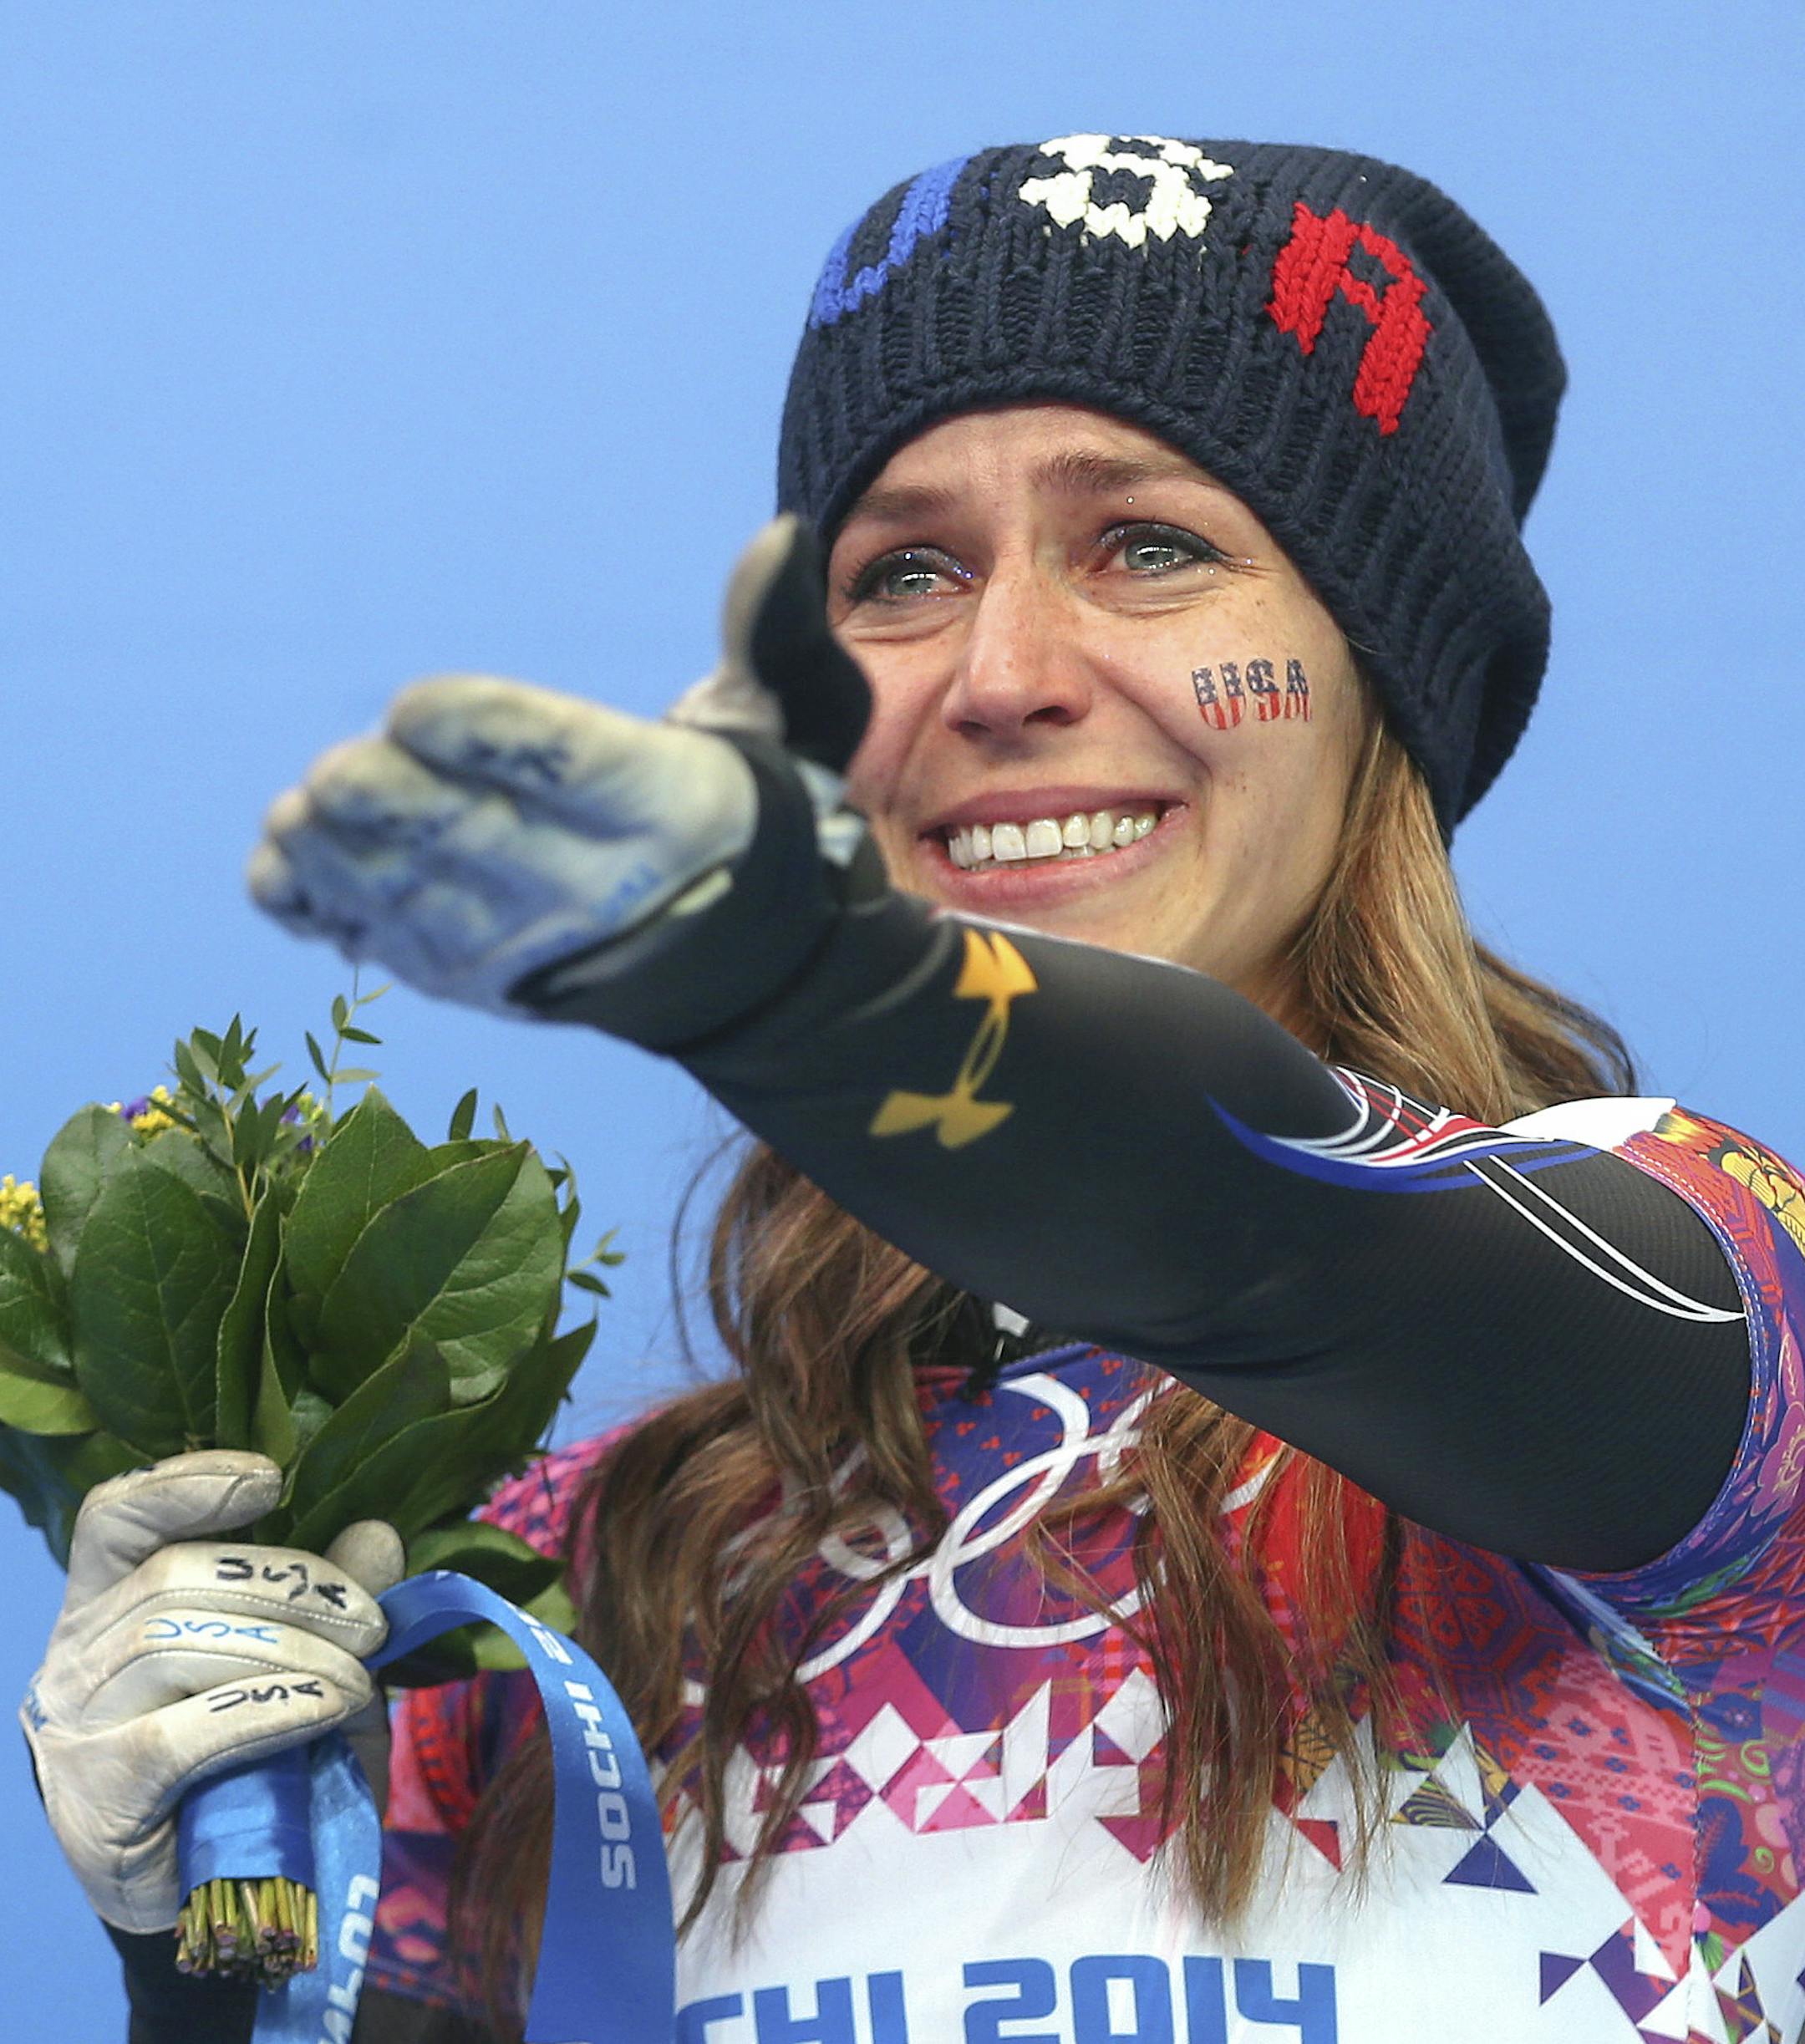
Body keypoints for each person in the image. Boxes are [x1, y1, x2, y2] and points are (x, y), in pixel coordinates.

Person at [25, 135, 1805, 2042]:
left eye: (1150, 543)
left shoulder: (1696, 1307)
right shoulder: (564, 1580)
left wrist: (803, 980)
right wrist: (215, 1923)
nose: (1000, 668)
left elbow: (1274, 1230)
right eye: (904, 572)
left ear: (1384, 685)